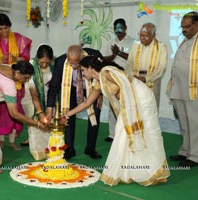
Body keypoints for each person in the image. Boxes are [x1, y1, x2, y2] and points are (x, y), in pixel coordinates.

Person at [60, 56, 170, 186]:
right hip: (130, 104)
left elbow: (127, 85)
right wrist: (67, 115)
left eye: (83, 70)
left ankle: (151, 171)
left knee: (142, 132)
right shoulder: (98, 82)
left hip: (140, 99)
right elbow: (87, 103)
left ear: (90, 68)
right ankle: (133, 171)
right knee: (125, 133)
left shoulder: (107, 73)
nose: (83, 74)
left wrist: (128, 111)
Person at [46, 45, 103, 160]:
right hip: (70, 88)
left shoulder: (94, 56)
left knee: (95, 114)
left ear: (82, 58)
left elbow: (101, 75)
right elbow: (54, 85)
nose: (73, 66)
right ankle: (69, 148)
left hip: (91, 88)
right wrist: (49, 107)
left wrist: (100, 94)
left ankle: (90, 148)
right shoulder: (61, 61)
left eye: (76, 64)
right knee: (67, 114)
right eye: (71, 63)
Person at [0, 13, 32, 151]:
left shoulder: (19, 39)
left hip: (17, 81)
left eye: (5, 28)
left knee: (14, 109)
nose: (3, 31)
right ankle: (0, 140)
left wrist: (16, 58)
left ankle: (12, 141)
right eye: (0, 29)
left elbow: (26, 59)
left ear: (9, 26)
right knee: (0, 111)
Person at [167, 11, 198, 167]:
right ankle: (185, 151)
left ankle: (195, 157)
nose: (183, 30)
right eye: (182, 27)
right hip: (179, 90)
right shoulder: (187, 40)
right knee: (184, 124)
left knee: (195, 125)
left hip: (196, 92)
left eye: (187, 27)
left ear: (197, 25)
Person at [103, 18, 135, 142]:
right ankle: (112, 134)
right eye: (116, 28)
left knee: (127, 106)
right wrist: (113, 55)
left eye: (121, 28)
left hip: (127, 79)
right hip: (112, 78)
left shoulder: (133, 42)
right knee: (112, 105)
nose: (118, 31)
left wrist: (119, 53)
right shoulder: (110, 42)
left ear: (126, 28)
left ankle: (128, 132)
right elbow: (105, 59)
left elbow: (134, 59)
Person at [21, 44, 54, 160]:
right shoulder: (31, 66)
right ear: (37, 59)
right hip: (30, 97)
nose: (44, 65)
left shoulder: (54, 67)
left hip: (47, 97)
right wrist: (40, 112)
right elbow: (34, 94)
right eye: (41, 62)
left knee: (49, 122)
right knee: (35, 122)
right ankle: (37, 152)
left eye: (47, 62)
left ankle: (49, 149)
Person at [126, 22, 167, 110]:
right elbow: (129, 63)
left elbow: (161, 68)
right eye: (141, 35)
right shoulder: (135, 45)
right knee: (135, 109)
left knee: (150, 111)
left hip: (152, 82)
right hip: (135, 80)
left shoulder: (161, 47)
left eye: (146, 36)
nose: (142, 38)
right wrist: (132, 75)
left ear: (153, 35)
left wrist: (146, 78)